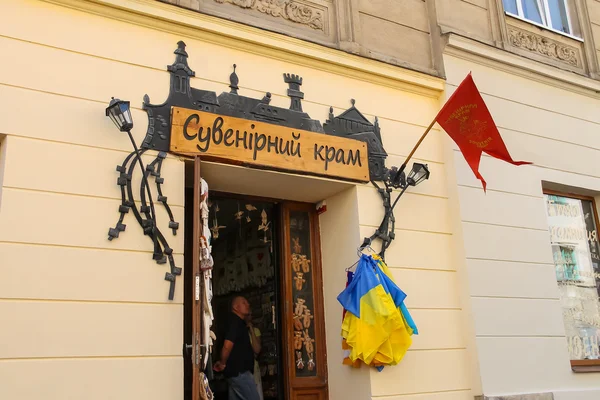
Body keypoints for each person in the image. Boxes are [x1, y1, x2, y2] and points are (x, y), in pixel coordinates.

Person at [214, 296, 260, 400]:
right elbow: (227, 345)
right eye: (244, 303)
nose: (248, 305)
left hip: (235, 374)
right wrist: (222, 363)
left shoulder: (238, 322)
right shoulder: (234, 322)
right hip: (240, 373)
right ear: (235, 307)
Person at [246, 313, 263, 400]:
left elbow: (257, 350)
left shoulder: (255, 331)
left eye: (250, 315)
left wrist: (251, 330)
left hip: (253, 368)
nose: (249, 317)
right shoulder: (239, 331)